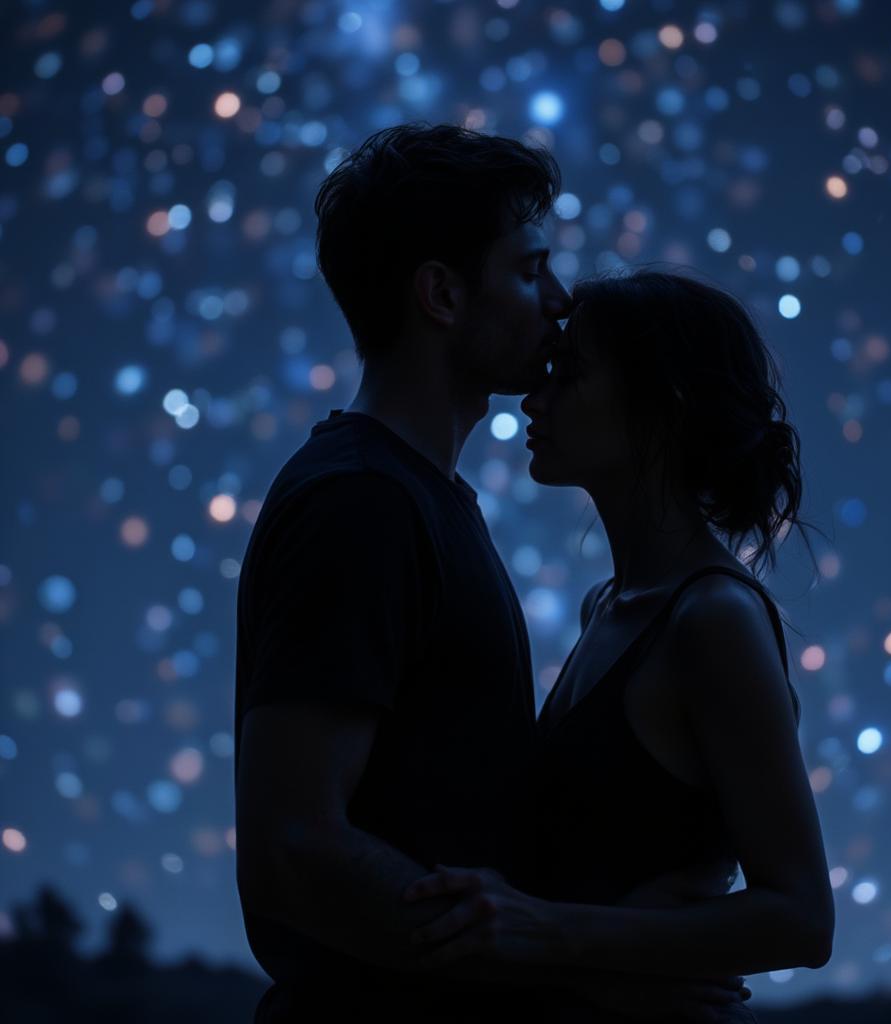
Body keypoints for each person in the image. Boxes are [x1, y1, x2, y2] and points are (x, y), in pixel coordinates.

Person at [233, 124, 748, 1023]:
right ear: (440, 293)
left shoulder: (427, 502)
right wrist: (561, 963)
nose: (556, 302)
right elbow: (293, 847)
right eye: (526, 270)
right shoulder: (361, 503)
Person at [402, 269, 836, 1021]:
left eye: (567, 377)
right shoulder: (603, 607)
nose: (533, 402)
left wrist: (550, 934)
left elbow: (802, 918)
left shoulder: (714, 620)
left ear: (660, 404)